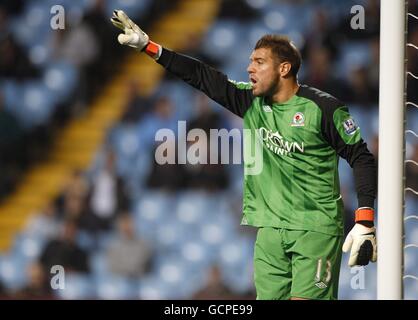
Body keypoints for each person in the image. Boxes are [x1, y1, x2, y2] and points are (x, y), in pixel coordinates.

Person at [110, 10, 377, 300]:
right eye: (250, 61)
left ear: (284, 69)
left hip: (314, 227)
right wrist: (150, 47)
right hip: (270, 230)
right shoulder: (251, 103)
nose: (249, 68)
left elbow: (361, 157)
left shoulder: (324, 109)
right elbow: (202, 76)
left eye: (259, 62)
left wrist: (364, 220)